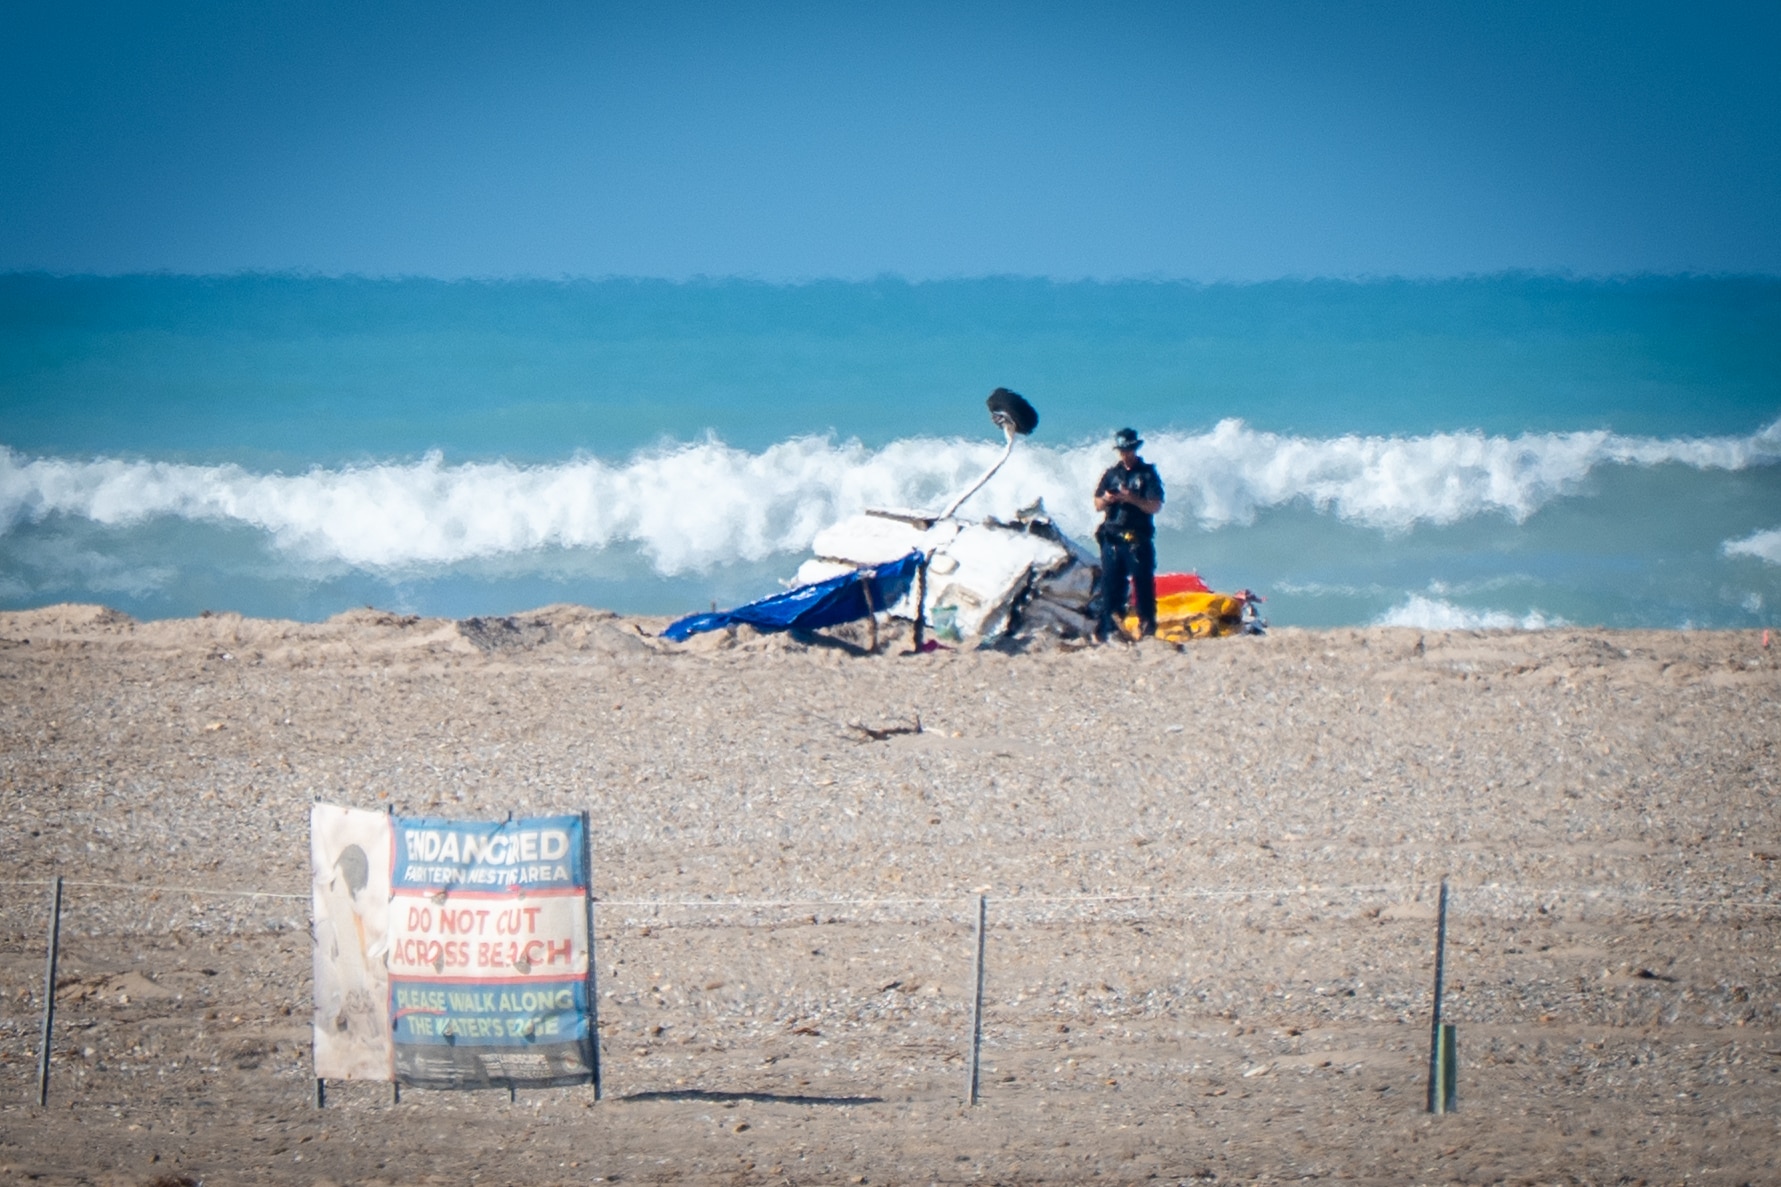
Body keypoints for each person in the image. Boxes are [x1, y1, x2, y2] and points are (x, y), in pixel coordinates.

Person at [1093, 427, 1164, 640]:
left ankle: (1147, 627)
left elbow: (1155, 505)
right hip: (1112, 537)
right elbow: (1097, 504)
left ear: (1135, 448)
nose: (1125, 453)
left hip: (1137, 538)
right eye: (1122, 450)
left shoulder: (1147, 474)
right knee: (1111, 585)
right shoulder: (1111, 474)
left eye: (1128, 449)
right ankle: (1110, 629)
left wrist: (1131, 498)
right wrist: (1108, 499)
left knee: (1142, 584)